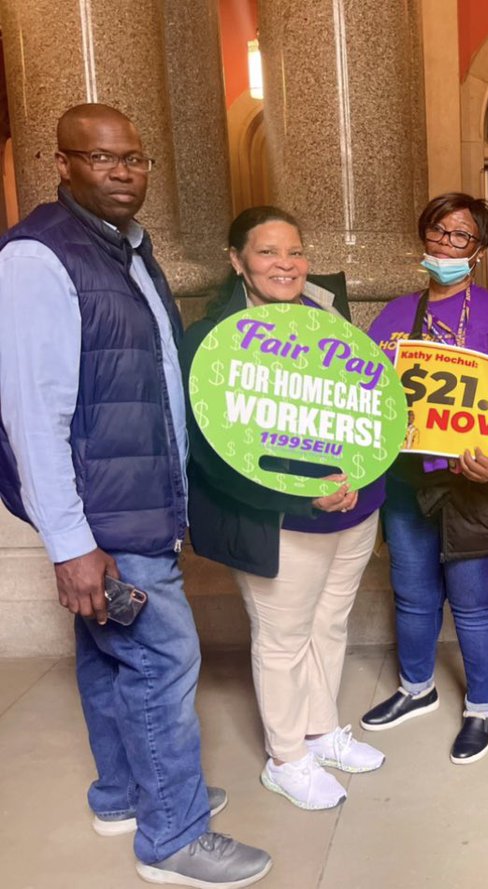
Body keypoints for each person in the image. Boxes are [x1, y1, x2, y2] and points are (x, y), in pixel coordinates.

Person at [0, 104, 270, 886]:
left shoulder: (128, 249)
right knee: (164, 659)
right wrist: (70, 543)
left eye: (136, 159)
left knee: (109, 656)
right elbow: (31, 414)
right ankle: (175, 835)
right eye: (103, 159)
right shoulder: (37, 259)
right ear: (62, 164)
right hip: (105, 518)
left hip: (139, 505)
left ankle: (125, 793)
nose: (124, 173)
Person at [182, 206, 386, 810]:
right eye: (267, 252)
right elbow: (214, 452)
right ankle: (286, 757)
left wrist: (357, 476)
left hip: (353, 506)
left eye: (294, 252)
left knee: (329, 623)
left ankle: (320, 731)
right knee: (282, 637)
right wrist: (302, 492)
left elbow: (366, 409)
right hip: (280, 517)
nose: (285, 264)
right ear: (236, 261)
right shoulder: (209, 340)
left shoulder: (329, 317)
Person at [359, 193, 488, 764]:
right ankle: (417, 688)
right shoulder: (392, 315)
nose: (445, 244)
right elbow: (366, 393)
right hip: (410, 482)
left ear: (478, 251)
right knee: (412, 594)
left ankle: (483, 706)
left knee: (475, 603)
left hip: (477, 487)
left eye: (460, 237)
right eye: (438, 231)